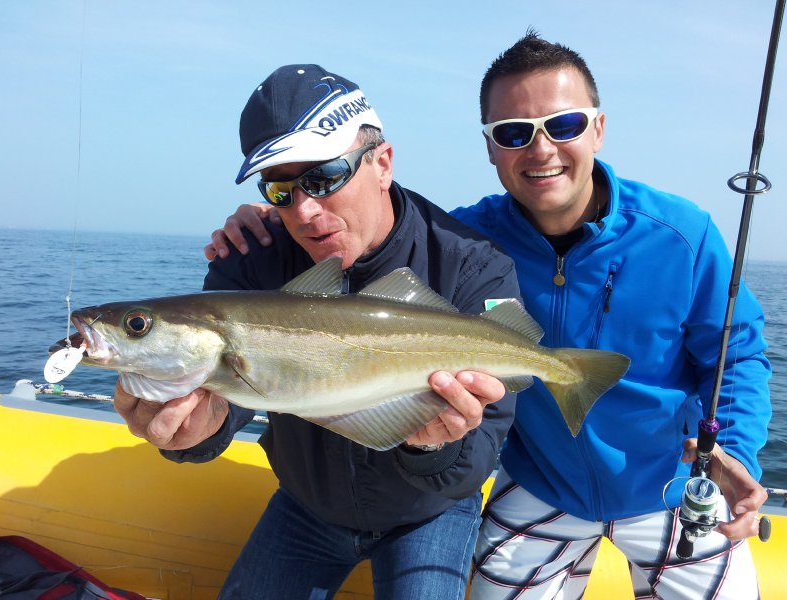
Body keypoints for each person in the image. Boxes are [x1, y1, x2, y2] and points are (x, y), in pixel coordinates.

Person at [206, 34, 772, 599]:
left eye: (565, 125)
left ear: (598, 128)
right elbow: (370, 246)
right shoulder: (468, 241)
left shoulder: (683, 235)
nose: (542, 148)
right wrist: (275, 215)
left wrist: (737, 453)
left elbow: (737, 352)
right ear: (490, 147)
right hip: (541, 486)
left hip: (670, 485)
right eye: (513, 133)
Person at [115, 63, 522, 599]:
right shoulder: (249, 259)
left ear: (383, 163)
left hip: (429, 511)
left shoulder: (473, 266)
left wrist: (433, 452)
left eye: (324, 177)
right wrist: (197, 432)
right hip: (307, 505)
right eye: (280, 189)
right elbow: (226, 401)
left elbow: (486, 435)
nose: (305, 210)